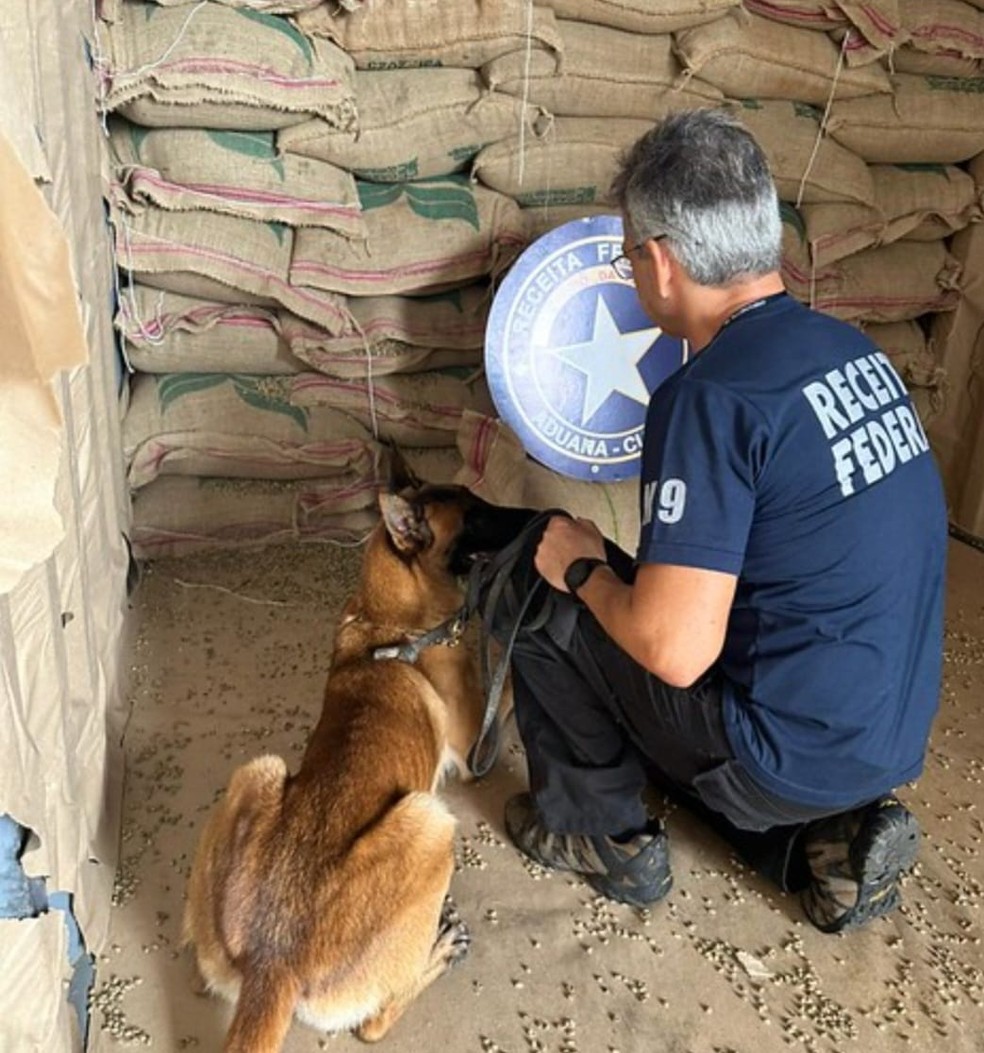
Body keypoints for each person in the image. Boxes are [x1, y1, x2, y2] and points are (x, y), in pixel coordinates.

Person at [496, 108, 947, 933]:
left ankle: (599, 833)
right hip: (882, 738)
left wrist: (584, 570)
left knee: (542, 576)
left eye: (633, 255)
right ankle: (826, 846)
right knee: (647, 612)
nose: (635, 273)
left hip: (784, 755)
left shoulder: (706, 398)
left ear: (661, 262)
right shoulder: (856, 351)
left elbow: (676, 649)